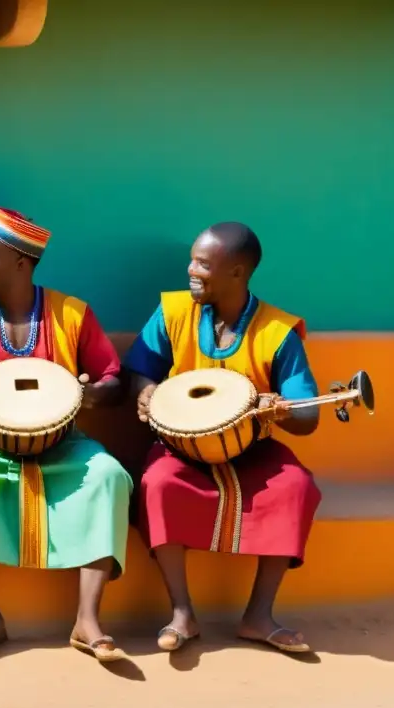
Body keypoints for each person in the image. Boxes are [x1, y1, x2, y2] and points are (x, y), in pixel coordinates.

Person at [0, 207, 134, 664]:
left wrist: (93, 394)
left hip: (64, 442)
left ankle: (87, 619)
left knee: (109, 477)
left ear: (21, 263)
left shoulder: (73, 314)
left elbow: (112, 379)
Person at [124, 222, 322, 654]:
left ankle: (258, 617)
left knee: (295, 486)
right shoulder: (174, 312)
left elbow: (308, 414)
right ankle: (182, 613)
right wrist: (145, 392)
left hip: (250, 448)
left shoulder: (278, 332)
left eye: (203, 264)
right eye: (192, 260)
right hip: (179, 445)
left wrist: (282, 409)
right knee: (158, 485)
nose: (191, 270)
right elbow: (140, 368)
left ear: (237, 273)